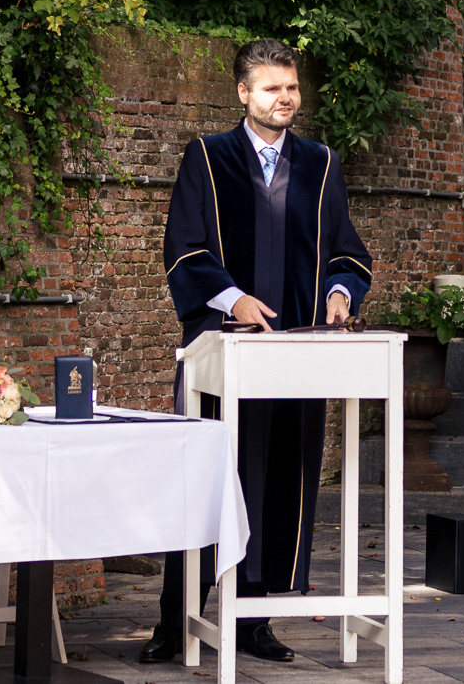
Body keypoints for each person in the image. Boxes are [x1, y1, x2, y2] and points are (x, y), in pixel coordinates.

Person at [138, 38, 373, 665]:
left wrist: (342, 293)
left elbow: (349, 251)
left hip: (296, 354)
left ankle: (257, 619)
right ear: (244, 93)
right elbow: (183, 249)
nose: (285, 99)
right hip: (223, 351)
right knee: (206, 481)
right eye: (271, 89)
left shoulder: (321, 163)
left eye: (291, 88)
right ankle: (174, 618)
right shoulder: (208, 159)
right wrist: (232, 297)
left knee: (282, 480)